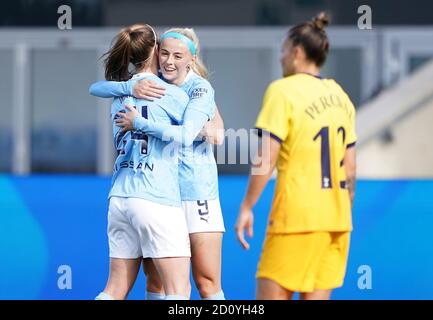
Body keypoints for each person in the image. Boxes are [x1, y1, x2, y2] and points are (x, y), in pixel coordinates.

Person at [90, 28, 226, 300]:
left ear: (192, 59)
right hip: (159, 195)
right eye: (164, 52)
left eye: (178, 55)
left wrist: (147, 121)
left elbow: (217, 134)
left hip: (193, 192)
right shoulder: (155, 89)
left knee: (206, 282)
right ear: (155, 51)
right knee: (160, 285)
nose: (169, 61)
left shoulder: (197, 89)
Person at [235, 12, 357, 300]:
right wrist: (342, 210)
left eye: (283, 51)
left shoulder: (282, 91)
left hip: (296, 219)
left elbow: (267, 157)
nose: (281, 58)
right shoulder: (340, 95)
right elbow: (350, 167)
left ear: (297, 52)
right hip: (337, 221)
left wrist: (247, 206)